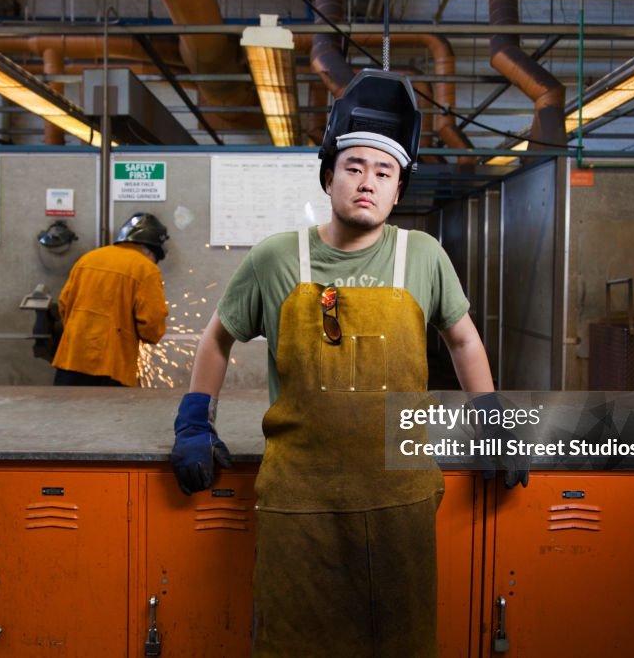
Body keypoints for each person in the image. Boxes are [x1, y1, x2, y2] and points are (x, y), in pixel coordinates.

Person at [171, 70, 527, 656]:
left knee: (402, 643)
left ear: (397, 189)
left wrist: (490, 417)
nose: (368, 182)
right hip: (298, 504)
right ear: (329, 177)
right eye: (355, 167)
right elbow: (217, 338)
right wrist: (193, 419)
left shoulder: (424, 257)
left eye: (384, 172)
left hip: (401, 502)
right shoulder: (277, 258)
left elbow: (463, 341)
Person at [51, 212, 169, 387]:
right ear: (153, 251)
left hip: (70, 360)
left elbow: (64, 304)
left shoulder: (87, 259)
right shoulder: (146, 269)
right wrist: (149, 335)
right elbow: (152, 323)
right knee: (109, 414)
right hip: (111, 367)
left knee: (66, 413)